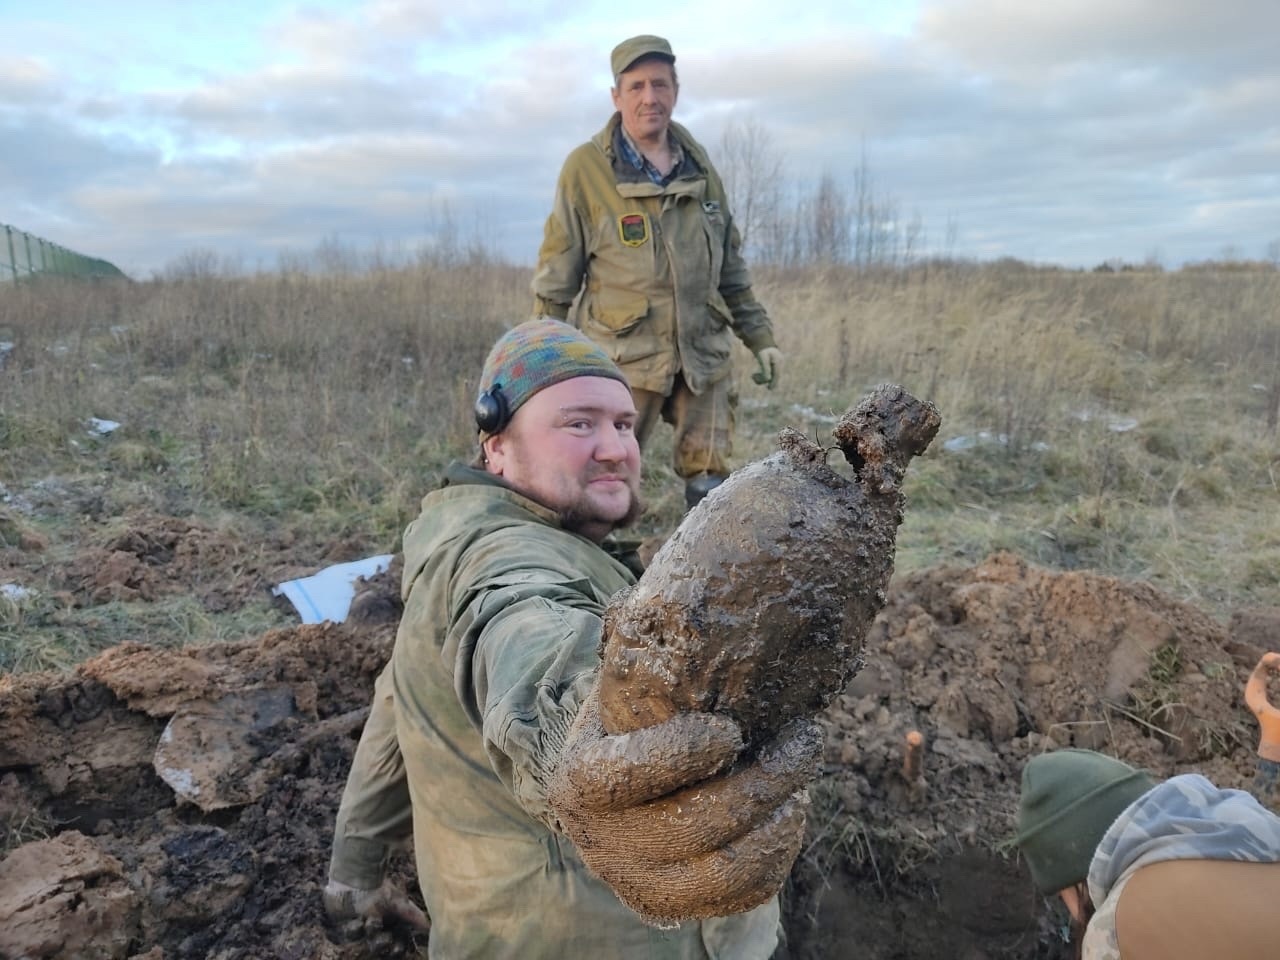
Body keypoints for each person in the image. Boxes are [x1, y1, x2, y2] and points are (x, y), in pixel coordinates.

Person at [323, 317, 817, 959]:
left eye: (621, 424)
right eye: (578, 424)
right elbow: (530, 631)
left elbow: (398, 712)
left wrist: (353, 878)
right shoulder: (503, 561)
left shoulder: (457, 547)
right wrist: (582, 741)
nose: (615, 447)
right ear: (495, 447)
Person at [532, 34, 783, 510]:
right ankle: (591, 576)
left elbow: (729, 268)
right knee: (600, 478)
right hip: (625, 360)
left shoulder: (700, 166)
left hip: (702, 358)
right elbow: (556, 279)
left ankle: (702, 578)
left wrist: (761, 337)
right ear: (616, 96)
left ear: (676, 90)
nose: (651, 97)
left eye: (661, 85)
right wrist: (541, 367)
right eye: (637, 86)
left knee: (711, 488)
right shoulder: (586, 169)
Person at [1014, 748, 1280, 960]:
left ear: (1078, 876)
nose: (1074, 915)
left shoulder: (1116, 926)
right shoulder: (1259, 833)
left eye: (1065, 896)